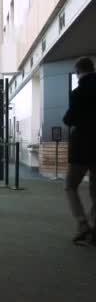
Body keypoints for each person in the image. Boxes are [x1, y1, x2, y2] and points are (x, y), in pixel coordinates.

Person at [62, 57, 96, 245]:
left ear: (78, 72)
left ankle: (83, 224)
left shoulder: (78, 92)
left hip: (82, 148)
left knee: (70, 185)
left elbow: (69, 119)